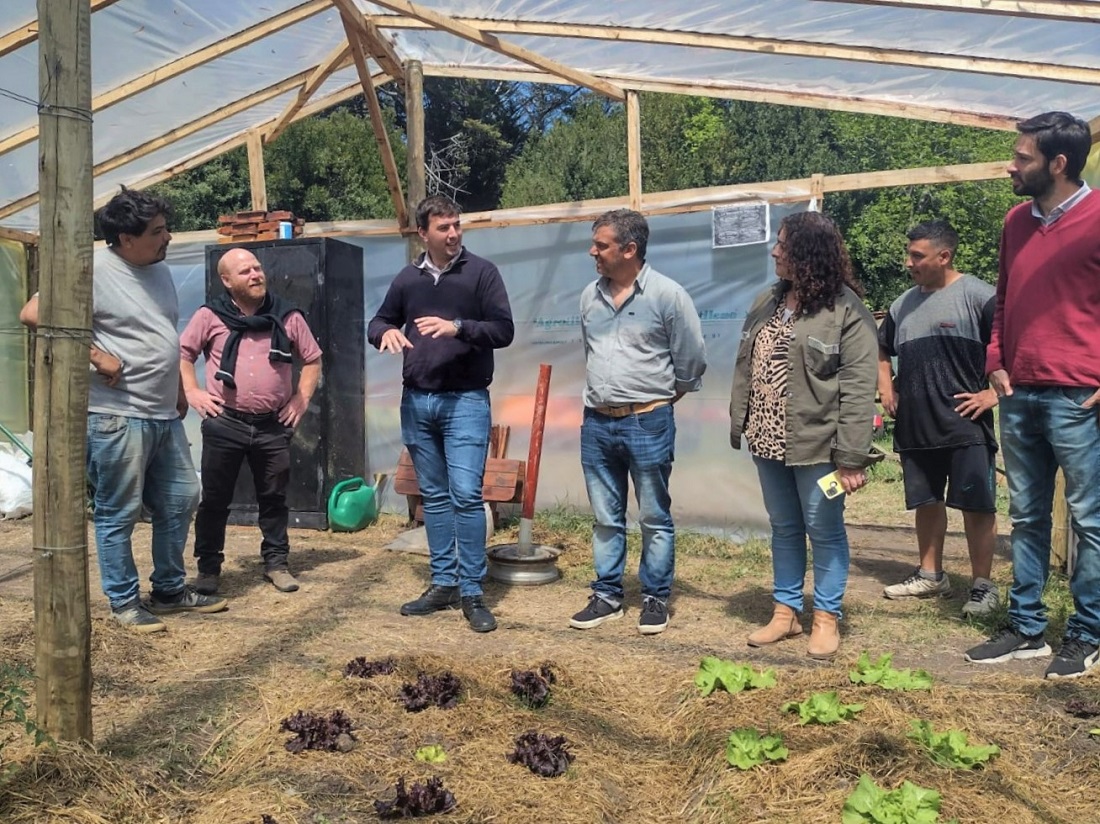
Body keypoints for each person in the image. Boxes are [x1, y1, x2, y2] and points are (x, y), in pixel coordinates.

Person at [20, 187, 226, 633]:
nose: (167, 237)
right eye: (157, 232)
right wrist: (95, 355)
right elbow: (33, 312)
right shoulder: (91, 269)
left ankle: (169, 590)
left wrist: (176, 388)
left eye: (165, 228)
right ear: (125, 239)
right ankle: (124, 601)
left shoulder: (158, 269)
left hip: (161, 413)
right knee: (120, 511)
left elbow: (161, 332)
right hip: (115, 415)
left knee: (181, 498)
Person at [964, 111, 1100, 679]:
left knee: (1089, 519)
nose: (1012, 165)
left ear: (1058, 163)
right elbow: (1003, 299)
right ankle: (1026, 628)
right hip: (1018, 392)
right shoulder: (1016, 222)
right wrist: (996, 361)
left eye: (1022, 157)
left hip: (1079, 396)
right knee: (1026, 514)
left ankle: (1088, 634)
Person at [729, 211, 879, 660]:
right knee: (785, 527)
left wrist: (851, 456)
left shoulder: (846, 311)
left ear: (808, 253)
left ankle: (827, 617)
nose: (774, 251)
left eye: (783, 245)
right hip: (767, 435)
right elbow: (745, 365)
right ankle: (785, 612)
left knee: (825, 529)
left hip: (818, 443)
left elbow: (857, 388)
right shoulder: (766, 301)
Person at [367, 195, 514, 633]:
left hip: (466, 401)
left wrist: (459, 328)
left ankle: (472, 590)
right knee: (433, 497)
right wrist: (387, 332)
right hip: (417, 401)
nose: (453, 234)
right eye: (443, 228)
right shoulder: (407, 280)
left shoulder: (482, 273)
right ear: (422, 233)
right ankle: (443, 582)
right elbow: (377, 322)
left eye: (457, 226)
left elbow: (504, 330)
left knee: (467, 494)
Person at [568, 209, 706, 636]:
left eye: (602, 245)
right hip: (597, 423)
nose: (593, 251)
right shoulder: (589, 297)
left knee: (653, 515)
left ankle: (654, 597)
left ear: (629, 249)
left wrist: (661, 397)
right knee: (606, 516)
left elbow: (691, 359)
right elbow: (589, 352)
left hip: (648, 421)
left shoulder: (667, 295)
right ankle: (608, 594)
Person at [179, 248, 322, 595]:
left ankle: (276, 563)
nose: (256, 275)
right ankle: (209, 569)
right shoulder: (210, 315)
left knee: (273, 498)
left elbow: (313, 358)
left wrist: (300, 399)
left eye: (257, 268)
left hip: (272, 425)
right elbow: (184, 353)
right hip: (224, 421)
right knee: (214, 499)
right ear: (226, 281)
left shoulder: (286, 315)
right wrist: (193, 391)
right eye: (245, 272)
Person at [877, 220, 1000, 616]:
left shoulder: (979, 296)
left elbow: (1012, 346)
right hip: (916, 424)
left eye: (917, 255)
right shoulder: (901, 305)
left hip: (965, 424)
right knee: (926, 502)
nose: (908, 262)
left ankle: (983, 586)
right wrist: (887, 388)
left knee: (977, 507)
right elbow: (881, 350)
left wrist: (993, 393)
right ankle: (931, 576)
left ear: (944, 256)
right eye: (909, 254)